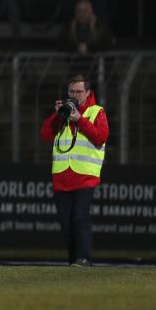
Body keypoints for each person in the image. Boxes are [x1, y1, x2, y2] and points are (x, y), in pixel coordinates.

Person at [39, 74, 109, 267]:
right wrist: (56, 115)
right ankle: (74, 260)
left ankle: (84, 257)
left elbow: (101, 137)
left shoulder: (96, 111)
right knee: (65, 221)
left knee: (80, 215)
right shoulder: (64, 112)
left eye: (79, 91)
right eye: (72, 91)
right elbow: (45, 134)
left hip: (85, 174)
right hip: (62, 175)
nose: (75, 95)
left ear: (88, 92)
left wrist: (80, 120)